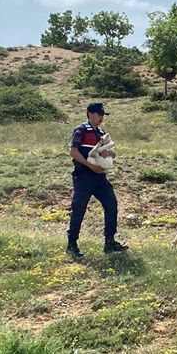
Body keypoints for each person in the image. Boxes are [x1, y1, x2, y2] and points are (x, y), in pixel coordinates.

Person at [67, 102, 128, 258]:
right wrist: (88, 165)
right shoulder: (81, 129)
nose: (101, 117)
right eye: (99, 114)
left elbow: (111, 152)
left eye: (103, 115)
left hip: (100, 176)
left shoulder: (101, 132)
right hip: (84, 176)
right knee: (79, 209)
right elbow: (73, 151)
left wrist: (110, 154)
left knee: (111, 204)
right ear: (90, 113)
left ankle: (109, 241)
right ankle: (72, 244)